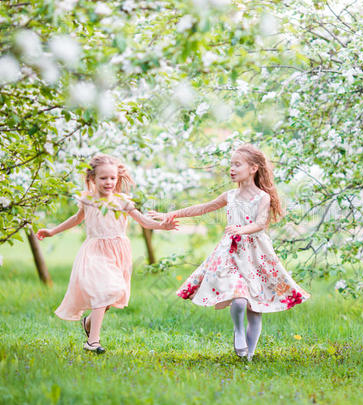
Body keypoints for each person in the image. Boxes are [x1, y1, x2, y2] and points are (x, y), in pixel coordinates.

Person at [152, 144, 309, 361]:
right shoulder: (231, 195)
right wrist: (171, 214)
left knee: (255, 307)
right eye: (231, 165)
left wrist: (241, 229)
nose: (232, 169)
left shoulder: (262, 197)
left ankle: (249, 356)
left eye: (238, 164)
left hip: (256, 255)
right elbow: (202, 207)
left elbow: (261, 223)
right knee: (239, 299)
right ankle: (238, 331)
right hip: (231, 254)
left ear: (253, 168)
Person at [37, 154, 177, 354]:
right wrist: (52, 231)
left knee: (113, 292)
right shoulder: (88, 200)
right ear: (93, 179)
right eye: (103, 178)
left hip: (118, 252)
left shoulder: (123, 201)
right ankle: (92, 342)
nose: (109, 182)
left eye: (112, 178)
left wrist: (163, 226)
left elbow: (144, 221)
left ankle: (89, 323)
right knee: (104, 290)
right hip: (94, 251)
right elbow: (76, 219)